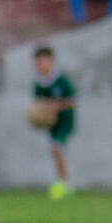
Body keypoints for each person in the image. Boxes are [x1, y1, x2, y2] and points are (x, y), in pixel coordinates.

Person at [30, 45, 77, 199]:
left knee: (56, 149)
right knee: (55, 151)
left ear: (50, 61)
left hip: (64, 121)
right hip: (52, 123)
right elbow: (38, 104)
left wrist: (55, 106)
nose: (39, 66)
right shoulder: (38, 84)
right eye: (36, 63)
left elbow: (72, 100)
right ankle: (63, 182)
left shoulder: (61, 80)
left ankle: (64, 183)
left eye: (41, 62)